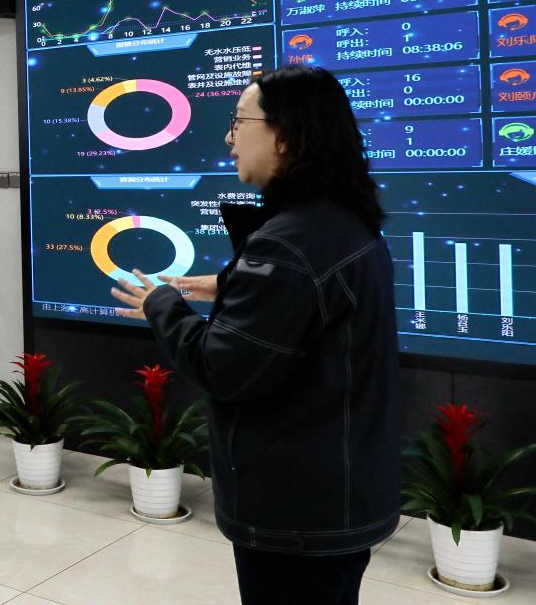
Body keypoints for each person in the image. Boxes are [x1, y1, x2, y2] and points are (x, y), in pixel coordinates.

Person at [110, 66, 400, 605]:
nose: (229, 138)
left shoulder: (288, 245)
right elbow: (310, 307)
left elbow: (222, 368)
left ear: (286, 137)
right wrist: (229, 284)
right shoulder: (344, 221)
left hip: (296, 509)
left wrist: (161, 304)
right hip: (338, 492)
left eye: (239, 121)